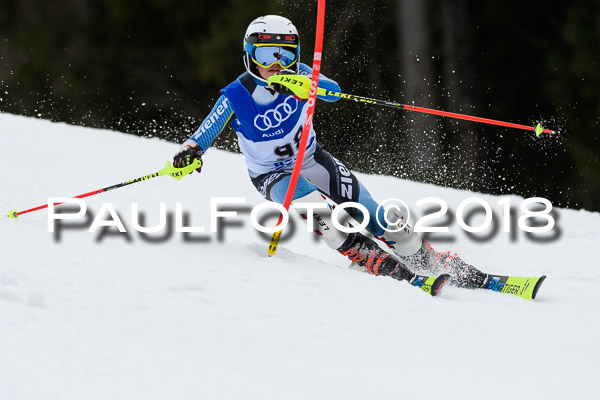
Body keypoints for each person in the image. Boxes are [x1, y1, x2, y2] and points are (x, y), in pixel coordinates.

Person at [173, 15, 486, 288]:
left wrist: (304, 84)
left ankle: (423, 255)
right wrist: (189, 152)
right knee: (314, 205)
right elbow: (204, 133)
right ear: (250, 56)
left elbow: (334, 92)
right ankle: (363, 254)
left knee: (373, 212)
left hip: (312, 160)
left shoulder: (301, 74)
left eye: (285, 55)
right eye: (266, 55)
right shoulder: (236, 95)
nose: (275, 65)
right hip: (272, 175)